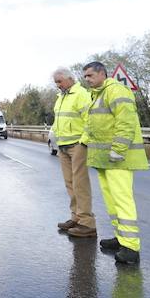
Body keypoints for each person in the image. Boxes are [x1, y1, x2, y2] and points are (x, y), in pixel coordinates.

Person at [80, 61, 148, 264]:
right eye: (85, 77)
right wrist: (84, 143)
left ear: (102, 74)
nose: (87, 80)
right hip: (104, 159)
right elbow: (94, 125)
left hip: (119, 158)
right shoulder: (97, 94)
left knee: (122, 200)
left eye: (90, 76)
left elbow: (125, 121)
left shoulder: (117, 91)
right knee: (112, 202)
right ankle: (121, 238)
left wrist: (118, 149)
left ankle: (131, 248)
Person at [51, 67, 95, 238]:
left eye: (59, 81)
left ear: (69, 79)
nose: (57, 85)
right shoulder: (61, 97)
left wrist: (83, 142)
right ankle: (76, 217)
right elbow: (58, 120)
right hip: (62, 145)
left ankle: (87, 223)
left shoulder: (81, 94)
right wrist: (55, 137)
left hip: (77, 144)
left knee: (80, 184)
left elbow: (90, 120)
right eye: (56, 82)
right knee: (70, 183)